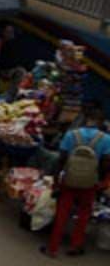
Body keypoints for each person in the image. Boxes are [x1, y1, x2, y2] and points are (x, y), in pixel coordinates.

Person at [45, 102, 106, 256]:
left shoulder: (72, 134)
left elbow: (61, 158)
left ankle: (52, 248)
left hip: (69, 179)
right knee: (84, 213)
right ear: (100, 122)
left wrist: (56, 179)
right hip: (90, 182)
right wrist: (100, 181)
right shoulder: (106, 139)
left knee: (62, 212)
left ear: (86, 119)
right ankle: (75, 245)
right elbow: (106, 163)